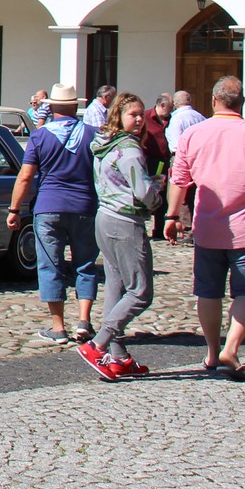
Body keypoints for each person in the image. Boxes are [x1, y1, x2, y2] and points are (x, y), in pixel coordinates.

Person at [166, 76, 245, 381]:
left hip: (207, 226)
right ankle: (231, 348)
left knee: (208, 292)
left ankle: (211, 351)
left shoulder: (194, 134)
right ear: (242, 104)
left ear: (213, 101)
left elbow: (179, 179)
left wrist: (171, 216)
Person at [9, 83, 101, 345]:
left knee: (51, 265)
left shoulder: (39, 136)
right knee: (85, 264)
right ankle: (84, 320)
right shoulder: (92, 134)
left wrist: (15, 209)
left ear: (52, 108)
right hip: (84, 206)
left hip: (49, 205)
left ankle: (58, 327)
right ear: (75, 107)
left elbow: (26, 176)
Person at [82, 93, 156, 380]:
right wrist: (157, 195)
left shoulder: (104, 144)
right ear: (118, 117)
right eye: (132, 115)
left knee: (115, 286)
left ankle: (119, 356)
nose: (138, 119)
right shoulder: (129, 149)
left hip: (105, 217)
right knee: (140, 291)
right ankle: (98, 344)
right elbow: (143, 193)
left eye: (141, 114)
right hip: (125, 221)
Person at [141, 93, 173, 239]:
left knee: (163, 195)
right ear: (161, 105)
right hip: (150, 161)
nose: (171, 111)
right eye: (170, 107)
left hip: (166, 161)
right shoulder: (146, 117)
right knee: (147, 192)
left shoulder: (172, 119)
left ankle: (159, 229)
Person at [165, 89, 204, 158]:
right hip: (200, 157)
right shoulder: (201, 117)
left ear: (175, 103)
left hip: (182, 159)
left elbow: (176, 146)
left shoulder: (176, 119)